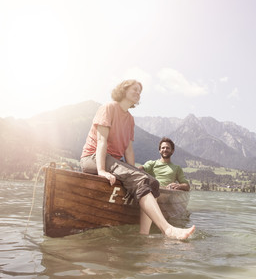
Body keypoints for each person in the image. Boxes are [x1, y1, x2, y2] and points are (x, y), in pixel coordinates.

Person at [80, 80, 195, 239]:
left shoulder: (130, 119)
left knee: (151, 182)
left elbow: (128, 150)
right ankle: (168, 230)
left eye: (140, 92)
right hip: (93, 158)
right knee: (140, 178)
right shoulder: (108, 108)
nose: (138, 93)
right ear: (123, 90)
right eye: (134, 89)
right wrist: (101, 171)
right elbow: (101, 141)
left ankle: (144, 235)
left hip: (114, 162)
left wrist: (132, 174)